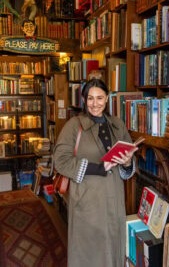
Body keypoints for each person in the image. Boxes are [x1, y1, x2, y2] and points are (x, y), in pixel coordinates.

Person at [53, 79, 138, 267]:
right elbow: (60, 161)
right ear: (84, 100)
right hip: (87, 199)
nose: (95, 103)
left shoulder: (117, 124)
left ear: (107, 98)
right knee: (88, 251)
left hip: (115, 198)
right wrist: (99, 167)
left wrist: (127, 162)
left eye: (99, 98)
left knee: (114, 247)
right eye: (90, 98)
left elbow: (128, 162)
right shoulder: (73, 125)